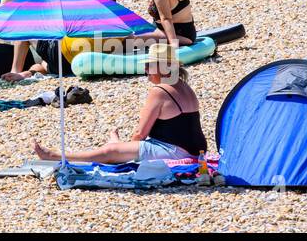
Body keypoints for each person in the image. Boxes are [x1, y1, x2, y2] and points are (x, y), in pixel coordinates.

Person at [32, 42, 206, 163]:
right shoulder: (184, 86)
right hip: (198, 151)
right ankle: (114, 143)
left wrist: (125, 150)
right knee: (120, 149)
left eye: (150, 64)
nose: (145, 69)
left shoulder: (159, 92)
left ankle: (55, 156)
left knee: (111, 153)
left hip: (175, 152)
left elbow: (140, 134)